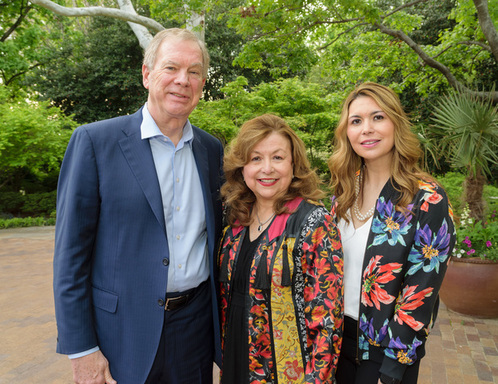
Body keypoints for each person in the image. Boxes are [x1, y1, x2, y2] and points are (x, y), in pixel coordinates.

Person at [53, 28, 224, 384]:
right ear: (147, 74)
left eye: (194, 72)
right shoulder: (95, 142)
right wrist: (81, 349)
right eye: (171, 68)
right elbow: (70, 257)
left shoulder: (211, 150)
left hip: (194, 332)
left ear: (203, 83)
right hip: (120, 335)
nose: (183, 80)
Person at [328, 82, 456, 384]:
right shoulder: (343, 193)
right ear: (346, 132)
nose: (366, 129)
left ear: (395, 124)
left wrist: (394, 367)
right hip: (335, 344)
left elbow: (420, 293)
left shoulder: (426, 198)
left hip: (386, 353)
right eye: (356, 121)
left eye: (378, 117)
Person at [218, 113, 344, 383]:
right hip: (235, 359)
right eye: (256, 158)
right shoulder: (234, 221)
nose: (267, 168)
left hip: (286, 370)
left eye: (277, 157)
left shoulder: (314, 223)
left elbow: (327, 321)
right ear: (242, 167)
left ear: (293, 164)